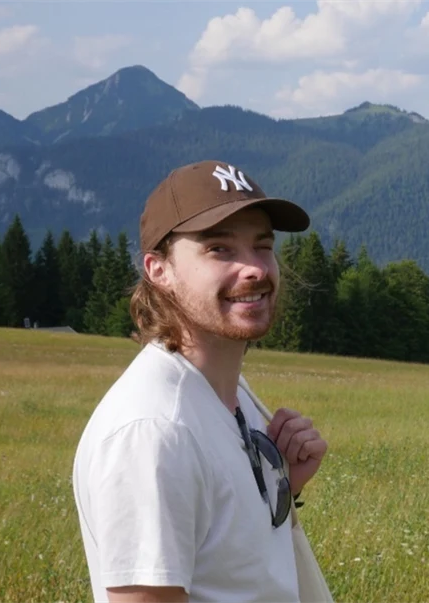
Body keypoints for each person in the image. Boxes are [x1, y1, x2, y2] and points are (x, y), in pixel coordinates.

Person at [71, 159, 329, 603]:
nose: (255, 269)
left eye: (263, 246)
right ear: (159, 270)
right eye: (220, 249)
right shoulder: (154, 431)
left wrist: (285, 484)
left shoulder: (228, 395)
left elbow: (232, 566)